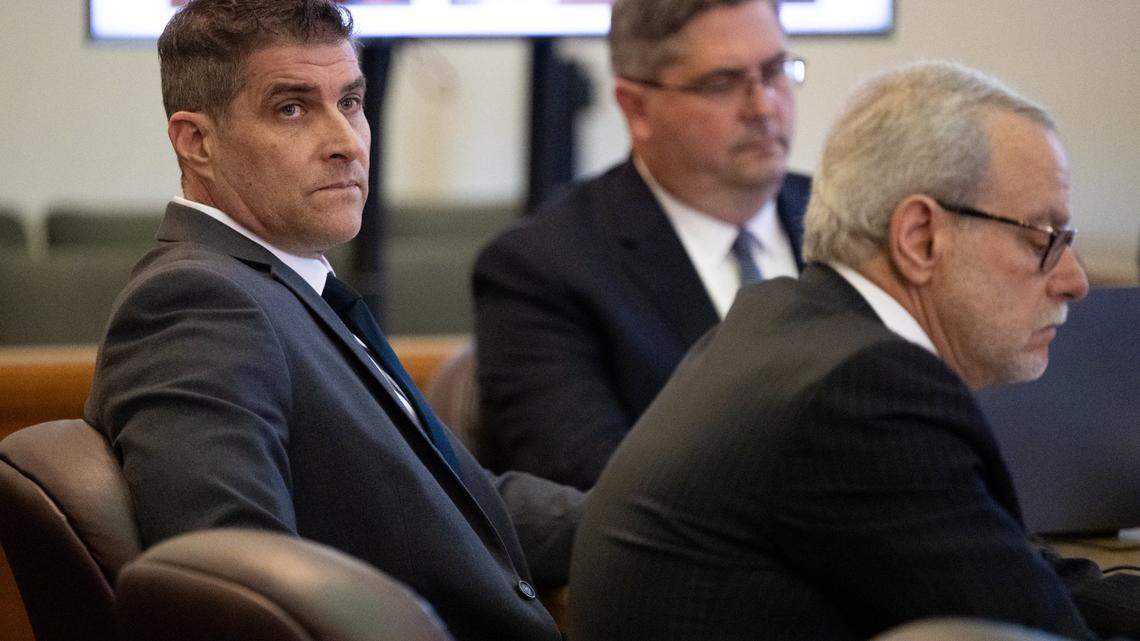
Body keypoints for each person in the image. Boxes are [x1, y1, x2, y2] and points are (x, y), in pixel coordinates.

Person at [569, 61, 1140, 640]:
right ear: (921, 238)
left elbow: (1010, 569)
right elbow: (1038, 629)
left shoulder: (786, 325)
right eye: (1042, 237)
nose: (1074, 279)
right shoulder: (863, 392)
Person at [84, 3, 582, 641]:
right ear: (197, 141)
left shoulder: (282, 286)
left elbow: (464, 500)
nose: (345, 142)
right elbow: (236, 590)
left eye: (349, 102)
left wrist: (665, 517)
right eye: (292, 108)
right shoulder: (196, 304)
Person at [473, 0, 810, 489]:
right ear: (637, 108)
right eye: (723, 83)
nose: (764, 107)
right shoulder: (541, 269)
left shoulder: (861, 224)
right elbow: (601, 495)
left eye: (776, 71)